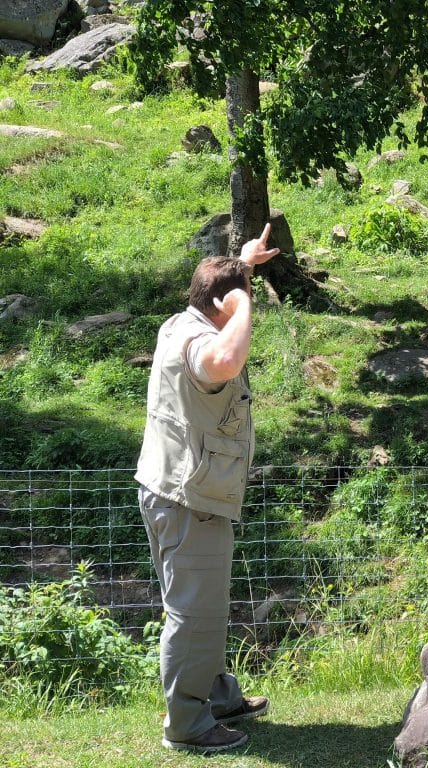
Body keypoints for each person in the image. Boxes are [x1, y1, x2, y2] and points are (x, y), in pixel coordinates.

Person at [135, 223, 280, 754]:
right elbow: (224, 360)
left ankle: (214, 695)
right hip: (187, 499)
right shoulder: (200, 341)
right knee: (194, 614)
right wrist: (244, 308)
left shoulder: (185, 317)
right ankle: (188, 726)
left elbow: (215, 301)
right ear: (221, 306)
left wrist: (242, 264)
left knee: (206, 607)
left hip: (182, 489)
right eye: (235, 303)